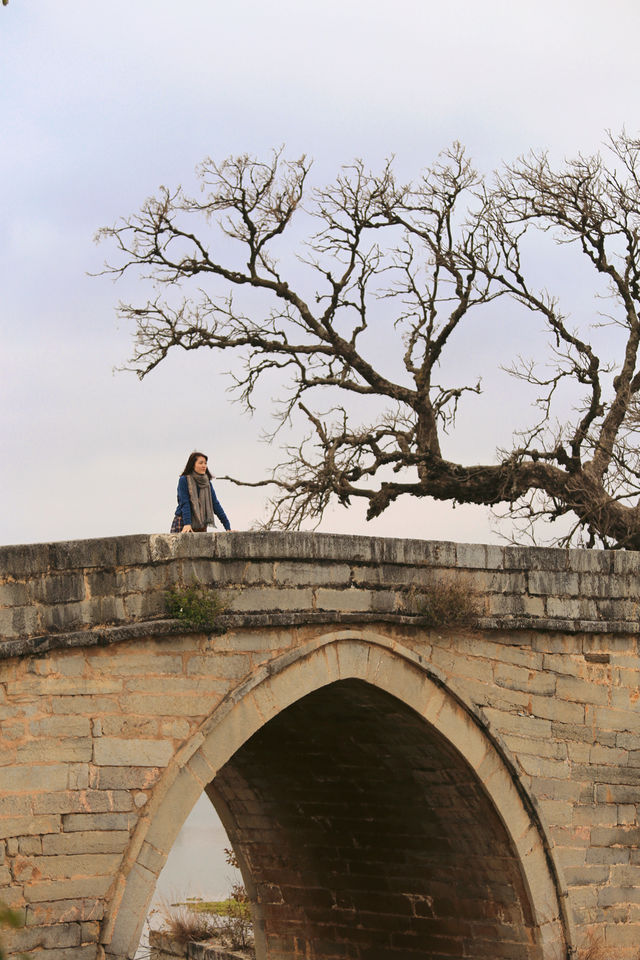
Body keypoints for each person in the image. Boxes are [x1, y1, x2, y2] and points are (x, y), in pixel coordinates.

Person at [171, 452, 231, 532]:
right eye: (201, 463)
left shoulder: (207, 483)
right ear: (193, 464)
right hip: (184, 521)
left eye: (205, 463)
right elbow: (184, 502)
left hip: (200, 524)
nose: (204, 466)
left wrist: (227, 527)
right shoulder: (184, 480)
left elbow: (215, 504)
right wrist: (187, 523)